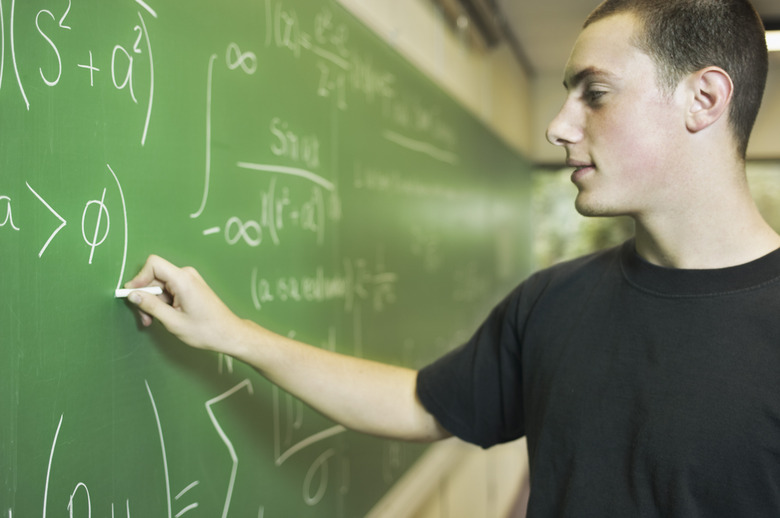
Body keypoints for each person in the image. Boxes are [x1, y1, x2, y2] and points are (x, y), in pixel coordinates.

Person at [126, 0, 780, 515]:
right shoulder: (553, 302)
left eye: (595, 93)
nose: (558, 125)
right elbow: (421, 403)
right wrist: (233, 335)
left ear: (704, 99)